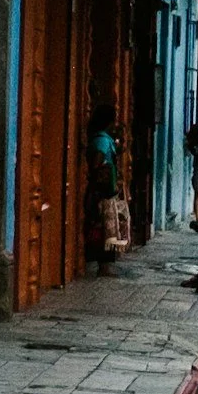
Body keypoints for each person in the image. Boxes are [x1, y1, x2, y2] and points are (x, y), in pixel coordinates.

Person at [85, 104, 127, 275]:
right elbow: (97, 161)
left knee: (108, 227)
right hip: (102, 192)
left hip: (104, 190)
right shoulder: (102, 140)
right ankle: (104, 266)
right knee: (106, 228)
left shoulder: (103, 138)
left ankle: (105, 264)